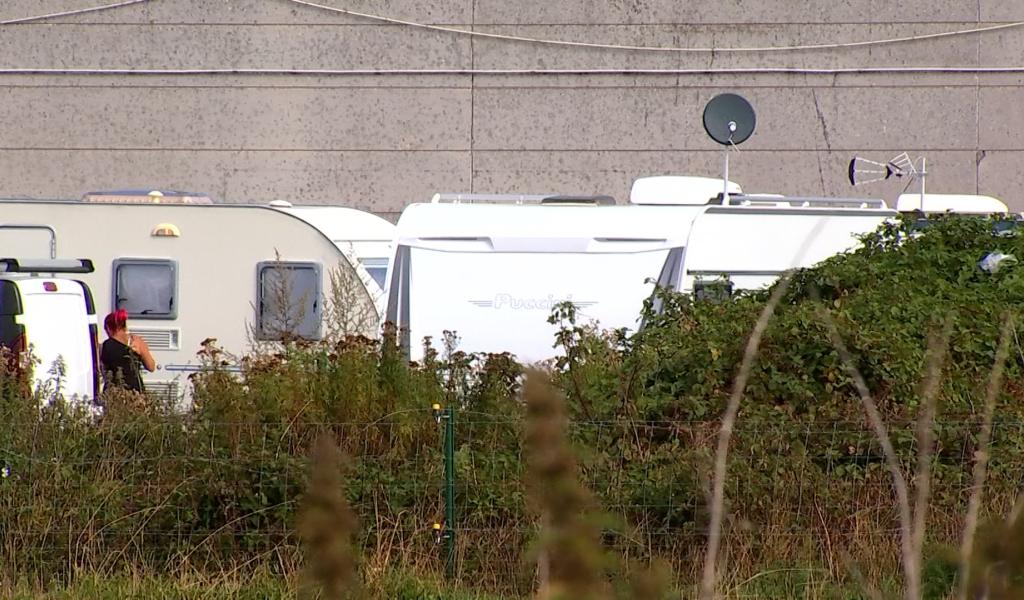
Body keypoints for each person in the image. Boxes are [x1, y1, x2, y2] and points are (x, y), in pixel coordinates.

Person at [99, 309, 156, 394]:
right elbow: (151, 366)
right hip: (135, 393)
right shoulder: (137, 342)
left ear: (108, 328)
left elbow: (100, 370)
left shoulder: (104, 346)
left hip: (113, 393)